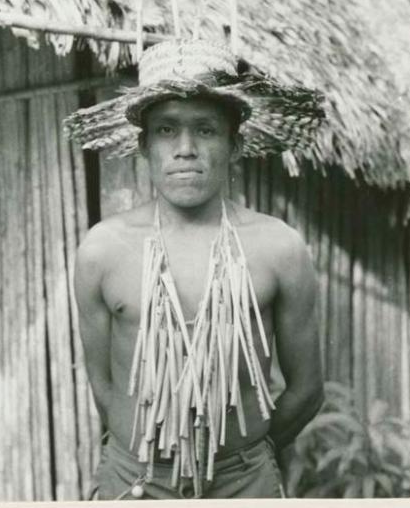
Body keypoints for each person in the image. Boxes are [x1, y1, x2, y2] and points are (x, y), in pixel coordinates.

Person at [69, 40, 325, 500]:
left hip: (243, 481)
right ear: (144, 145)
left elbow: (306, 389)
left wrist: (244, 460)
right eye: (166, 130)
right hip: (135, 480)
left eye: (206, 130)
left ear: (235, 144)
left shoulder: (278, 248)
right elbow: (102, 384)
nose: (185, 149)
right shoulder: (102, 251)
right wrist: (140, 452)